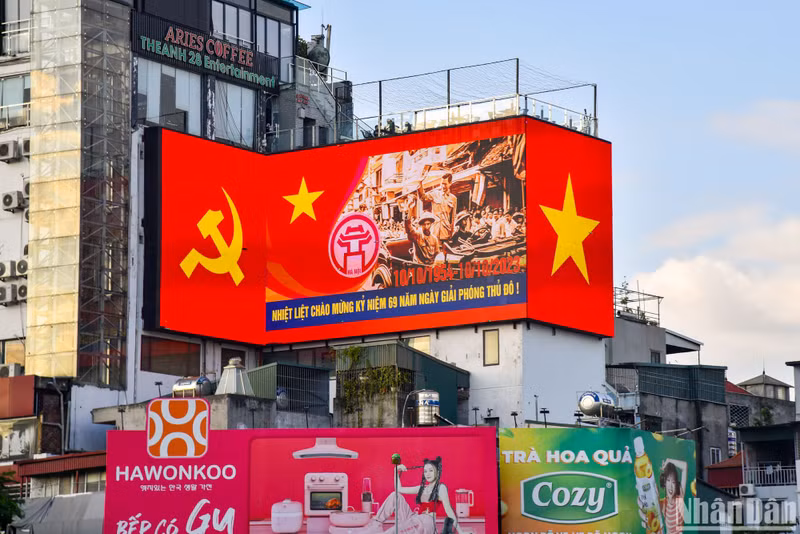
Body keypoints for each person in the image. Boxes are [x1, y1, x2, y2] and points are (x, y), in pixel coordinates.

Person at [357, 457, 465, 534]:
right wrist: (396, 471)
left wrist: (461, 532)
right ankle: (376, 524)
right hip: (414, 518)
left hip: (426, 522)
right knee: (396, 495)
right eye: (425, 471)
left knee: (394, 531)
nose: (427, 474)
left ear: (437, 471)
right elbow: (399, 489)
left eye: (431, 471)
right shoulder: (422, 488)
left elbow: (450, 512)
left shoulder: (440, 488)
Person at [420, 174, 457, 242]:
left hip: (446, 231)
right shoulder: (435, 194)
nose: (443, 186)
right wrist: (420, 183)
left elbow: (453, 218)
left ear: (450, 183)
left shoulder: (453, 198)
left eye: (445, 184)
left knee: (444, 251)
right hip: (435, 230)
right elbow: (423, 197)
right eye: (442, 183)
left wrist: (451, 232)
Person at [659, 459, 687, 534]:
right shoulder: (663, 503)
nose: (670, 486)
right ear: (664, 482)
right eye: (668, 480)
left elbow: (684, 466)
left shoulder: (680, 498)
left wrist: (668, 461)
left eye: (673, 482)